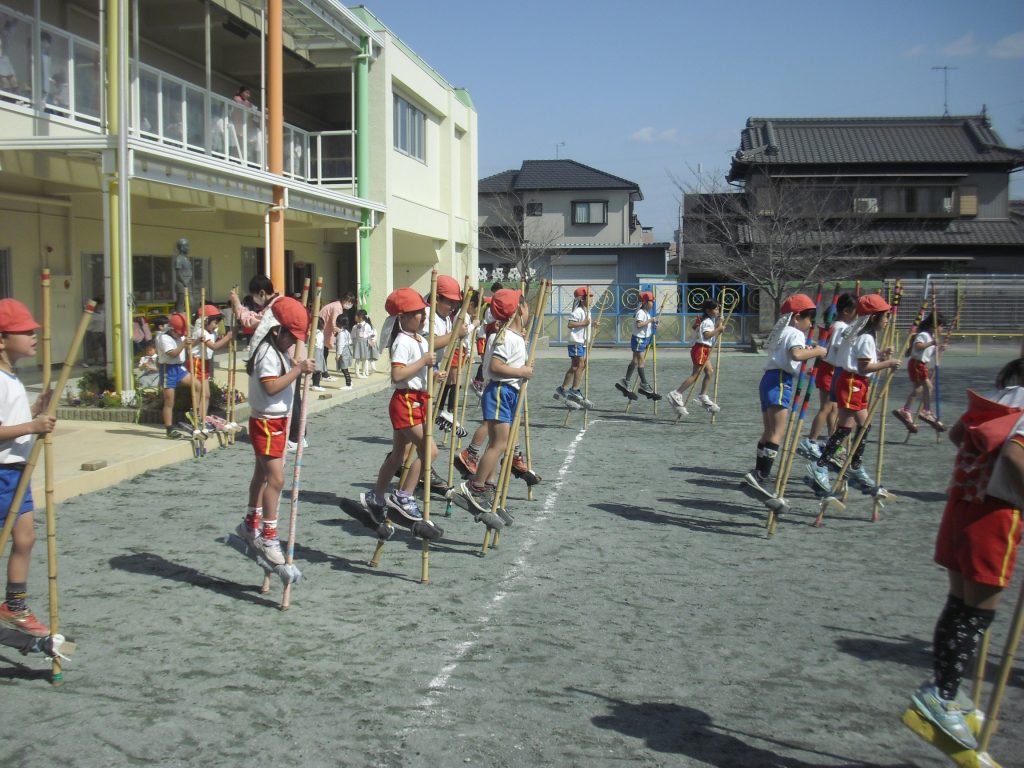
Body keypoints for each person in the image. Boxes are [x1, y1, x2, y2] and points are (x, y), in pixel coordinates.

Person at [909, 357, 1024, 750]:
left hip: (960, 505)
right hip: (994, 513)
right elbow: (1014, 457)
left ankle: (945, 688)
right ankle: (940, 695)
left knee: (958, 605)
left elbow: (960, 434)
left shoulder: (995, 396)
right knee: (978, 612)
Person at [235, 298, 315, 565]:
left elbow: (284, 371)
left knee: (261, 475)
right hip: (267, 424)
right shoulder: (267, 352)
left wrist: (295, 365)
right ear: (277, 330)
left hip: (275, 422)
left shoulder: (276, 350)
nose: (293, 342)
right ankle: (269, 537)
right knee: (277, 481)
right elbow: (271, 387)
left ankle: (250, 522)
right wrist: (297, 369)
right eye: (291, 337)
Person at [0, 299, 57, 639]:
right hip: (1, 472)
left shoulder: (13, 378)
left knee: (26, 537)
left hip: (18, 472)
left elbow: (13, 420)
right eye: (26, 331)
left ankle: (14, 604)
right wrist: (31, 427)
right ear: (3, 339)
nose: (35, 335)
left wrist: (36, 410)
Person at [806, 293, 900, 495]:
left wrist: (881, 356)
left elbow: (860, 357)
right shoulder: (864, 335)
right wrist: (889, 364)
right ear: (874, 317)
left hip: (856, 382)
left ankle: (855, 465)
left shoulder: (860, 333)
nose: (887, 321)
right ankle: (821, 463)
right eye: (885, 316)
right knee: (846, 426)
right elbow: (865, 367)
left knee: (864, 425)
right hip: (852, 382)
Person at [361, 288, 439, 525]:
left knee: (397, 456)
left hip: (417, 400)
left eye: (423, 313)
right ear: (402, 318)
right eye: (417, 314)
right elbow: (397, 374)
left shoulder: (421, 339)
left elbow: (421, 371)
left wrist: (435, 374)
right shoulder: (402, 341)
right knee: (430, 450)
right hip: (405, 402)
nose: (422, 317)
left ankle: (377, 495)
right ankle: (404, 495)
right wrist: (424, 362)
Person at [456, 289, 534, 516]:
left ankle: (488, 485)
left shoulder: (513, 336)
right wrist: (522, 371)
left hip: (507, 392)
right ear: (520, 309)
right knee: (499, 444)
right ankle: (475, 486)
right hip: (500, 391)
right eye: (526, 306)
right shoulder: (506, 337)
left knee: (501, 443)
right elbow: (495, 367)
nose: (528, 310)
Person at [741, 294, 827, 496]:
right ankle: (763, 476)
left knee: (769, 430)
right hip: (780, 380)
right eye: (809, 319)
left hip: (769, 379)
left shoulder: (781, 332)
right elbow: (797, 355)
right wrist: (818, 352)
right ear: (797, 317)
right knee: (777, 432)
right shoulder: (795, 333)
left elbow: (789, 358)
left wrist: (803, 365)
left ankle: (758, 472)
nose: (810, 324)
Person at [800, 293, 857, 459]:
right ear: (846, 311)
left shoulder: (837, 326)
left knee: (833, 409)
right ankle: (811, 440)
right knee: (827, 407)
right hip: (830, 369)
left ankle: (834, 441)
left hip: (829, 368)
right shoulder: (841, 328)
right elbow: (839, 348)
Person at [893, 312, 947, 434]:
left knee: (918, 389)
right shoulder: (923, 335)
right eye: (941, 326)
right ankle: (925, 410)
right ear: (934, 325)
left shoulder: (931, 337)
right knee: (927, 386)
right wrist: (932, 343)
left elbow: (929, 352)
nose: (942, 329)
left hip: (921, 364)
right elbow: (918, 346)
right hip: (917, 364)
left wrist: (939, 349)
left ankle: (906, 410)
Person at [667, 299, 723, 416]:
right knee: (695, 375)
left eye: (718, 308)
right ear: (708, 310)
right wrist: (719, 329)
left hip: (704, 349)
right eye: (716, 309)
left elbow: (709, 331)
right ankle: (677, 393)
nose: (718, 311)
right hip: (701, 349)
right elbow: (707, 335)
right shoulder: (707, 321)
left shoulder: (708, 320)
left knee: (709, 372)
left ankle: (703, 395)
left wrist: (718, 324)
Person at [191, 305, 234, 431]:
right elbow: (214, 346)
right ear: (205, 321)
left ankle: (202, 418)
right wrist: (228, 337)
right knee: (202, 393)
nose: (216, 326)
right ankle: (198, 418)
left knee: (206, 394)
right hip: (197, 362)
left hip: (204, 362)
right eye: (215, 322)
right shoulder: (201, 332)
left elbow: (218, 340)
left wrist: (228, 337)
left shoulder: (211, 331)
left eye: (218, 323)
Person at [615, 291, 660, 401]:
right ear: (644, 302)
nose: (652, 303)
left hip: (643, 339)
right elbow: (639, 324)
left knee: (635, 361)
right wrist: (650, 320)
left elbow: (647, 327)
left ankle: (626, 380)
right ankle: (644, 383)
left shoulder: (647, 313)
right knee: (641, 361)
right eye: (650, 301)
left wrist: (654, 325)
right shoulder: (640, 313)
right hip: (638, 339)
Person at [155, 312, 194, 438]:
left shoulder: (181, 335)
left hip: (179, 367)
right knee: (169, 400)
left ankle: (196, 414)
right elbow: (173, 354)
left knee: (197, 385)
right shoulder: (163, 338)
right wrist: (184, 344)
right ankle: (169, 428)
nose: (180, 335)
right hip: (168, 369)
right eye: (179, 333)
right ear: (173, 329)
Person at [554, 287, 593, 410]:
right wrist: (583, 323)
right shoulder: (578, 311)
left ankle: (563, 388)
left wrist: (593, 324)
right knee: (581, 365)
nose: (592, 299)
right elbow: (570, 324)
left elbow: (585, 324)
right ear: (582, 299)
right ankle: (574, 390)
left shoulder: (587, 312)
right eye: (590, 296)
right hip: (576, 342)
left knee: (576, 366)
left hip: (582, 342)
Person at [319, 292, 354, 380]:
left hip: (324, 329)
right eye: (348, 301)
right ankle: (323, 373)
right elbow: (335, 323)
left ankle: (324, 372)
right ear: (343, 299)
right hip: (323, 330)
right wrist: (342, 332)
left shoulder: (337, 305)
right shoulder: (337, 307)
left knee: (324, 353)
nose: (349, 304)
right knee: (323, 353)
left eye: (351, 302)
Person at [352, 309, 375, 378]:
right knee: (357, 359)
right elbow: (352, 336)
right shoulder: (355, 326)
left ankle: (364, 372)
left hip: (365, 344)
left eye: (357, 315)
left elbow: (371, 334)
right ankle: (357, 373)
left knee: (365, 359)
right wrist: (353, 343)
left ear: (361, 317)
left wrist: (371, 341)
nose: (355, 317)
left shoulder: (367, 325)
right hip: (358, 344)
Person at [83, 297, 105, 368]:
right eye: (99, 305)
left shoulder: (102, 312)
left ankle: (106, 361)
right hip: (93, 332)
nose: (101, 306)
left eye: (101, 305)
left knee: (105, 346)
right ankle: (96, 360)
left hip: (101, 331)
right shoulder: (90, 313)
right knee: (95, 347)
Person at [333, 317, 354, 389]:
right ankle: (350, 382)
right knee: (345, 368)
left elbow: (340, 345)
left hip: (343, 352)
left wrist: (338, 355)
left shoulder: (341, 334)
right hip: (347, 350)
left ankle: (348, 384)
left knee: (344, 368)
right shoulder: (346, 331)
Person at [173, 238, 193, 313]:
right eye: (186, 246)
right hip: (182, 284)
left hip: (187, 283)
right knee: (181, 303)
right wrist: (184, 283)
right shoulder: (179, 259)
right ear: (181, 247)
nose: (188, 248)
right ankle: (180, 318)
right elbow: (178, 274)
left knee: (191, 303)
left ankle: (189, 319)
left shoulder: (186, 259)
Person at [310, 318, 327, 392]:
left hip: (313, 351)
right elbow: (319, 344)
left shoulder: (312, 332)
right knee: (318, 369)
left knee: (315, 369)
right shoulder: (319, 333)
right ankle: (316, 385)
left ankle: (315, 384)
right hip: (318, 351)